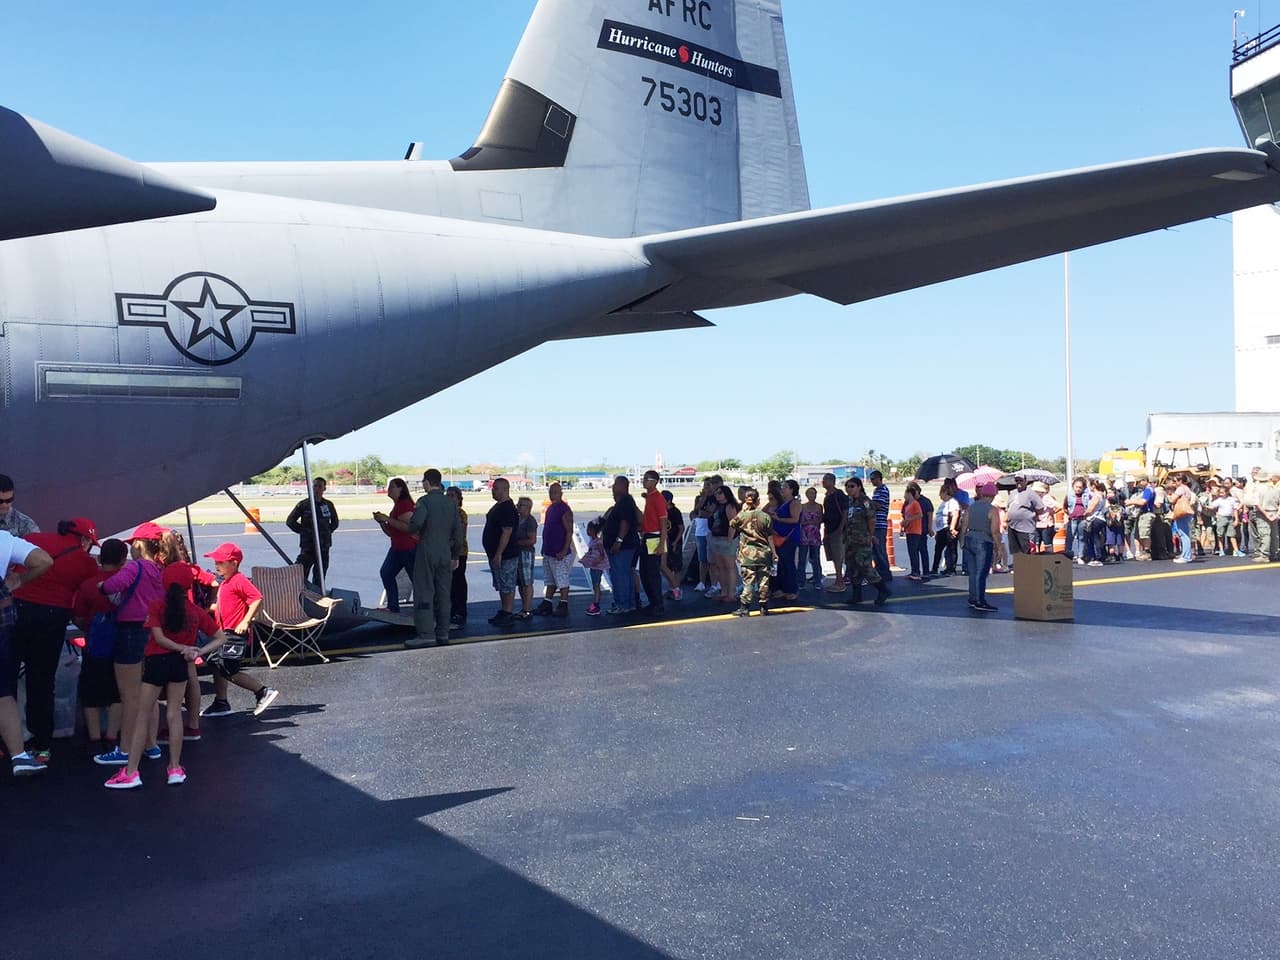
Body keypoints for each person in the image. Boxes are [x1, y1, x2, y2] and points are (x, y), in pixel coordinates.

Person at [104, 564, 227, 789]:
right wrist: (196, 651)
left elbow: (158, 638)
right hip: (180, 664)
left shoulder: (157, 606)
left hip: (157, 662)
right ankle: (175, 768)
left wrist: (180, 647)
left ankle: (131, 771)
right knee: (174, 714)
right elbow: (220, 637)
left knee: (143, 714)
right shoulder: (194, 612)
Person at [12, 517, 100, 765]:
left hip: (17, 611)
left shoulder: (33, 540)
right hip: (51, 619)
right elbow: (89, 593)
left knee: (6, 680)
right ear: (83, 540)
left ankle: (9, 742)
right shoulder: (86, 563)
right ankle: (41, 745)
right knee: (41, 681)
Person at [93, 523, 167, 766]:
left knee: (129, 695)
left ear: (138, 544)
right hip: (152, 631)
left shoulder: (135, 567)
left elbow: (112, 585)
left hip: (130, 632)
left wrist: (102, 586)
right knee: (151, 692)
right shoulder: (158, 569)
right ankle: (150, 744)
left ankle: (124, 749)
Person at [198, 543, 280, 718]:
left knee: (228, 668)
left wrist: (245, 620)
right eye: (216, 561)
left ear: (234, 563)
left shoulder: (239, 580)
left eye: (220, 562)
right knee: (215, 662)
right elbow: (225, 605)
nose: (216, 565)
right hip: (223, 632)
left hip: (234, 634)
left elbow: (257, 598)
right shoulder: (226, 582)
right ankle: (221, 702)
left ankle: (262, 691)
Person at [1, 530, 53, 776]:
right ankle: (19, 755)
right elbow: (44, 561)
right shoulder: (4, 539)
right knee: (2, 692)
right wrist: (18, 581)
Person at [71, 538, 129, 758]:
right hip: (121, 644)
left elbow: (77, 617)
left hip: (95, 645)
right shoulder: (126, 584)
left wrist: (89, 628)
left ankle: (95, 738)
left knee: (91, 693)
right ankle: (112, 736)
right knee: (118, 693)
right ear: (123, 560)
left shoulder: (88, 585)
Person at [400, 469, 466, 647]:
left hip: (427, 550)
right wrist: (455, 555)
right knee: (444, 593)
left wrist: (412, 529)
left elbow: (416, 524)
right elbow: (459, 534)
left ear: (427, 482)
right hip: (446, 551)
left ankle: (426, 633)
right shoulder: (450, 503)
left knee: (424, 591)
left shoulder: (424, 501)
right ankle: (443, 632)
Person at [373, 477, 419, 613]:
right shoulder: (398, 506)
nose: (389, 489)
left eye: (392, 486)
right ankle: (393, 606)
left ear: (400, 488)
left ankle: (424, 609)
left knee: (416, 580)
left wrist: (387, 519)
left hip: (408, 548)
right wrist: (382, 522)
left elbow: (409, 528)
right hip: (397, 547)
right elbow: (392, 532)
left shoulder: (405, 505)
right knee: (386, 573)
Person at [843, 477, 890, 606]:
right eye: (847, 486)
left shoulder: (865, 502)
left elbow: (871, 520)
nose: (849, 489)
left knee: (866, 568)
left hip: (862, 540)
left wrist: (870, 535)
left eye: (852, 486)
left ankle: (883, 590)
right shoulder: (851, 502)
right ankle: (856, 596)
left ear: (859, 487)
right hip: (851, 540)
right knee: (853, 568)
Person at [286, 476, 339, 585]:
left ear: (324, 488)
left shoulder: (328, 505)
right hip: (308, 546)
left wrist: (326, 532)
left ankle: (317, 596)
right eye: (315, 486)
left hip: (324, 546)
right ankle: (300, 596)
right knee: (301, 574)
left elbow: (335, 522)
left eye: (320, 486)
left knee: (320, 575)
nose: (317, 489)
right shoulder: (304, 504)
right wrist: (304, 532)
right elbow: (290, 521)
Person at [729, 488, 774, 616]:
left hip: (747, 554)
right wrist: (774, 553)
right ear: (758, 501)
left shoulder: (742, 516)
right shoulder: (765, 517)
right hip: (763, 553)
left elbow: (732, 524)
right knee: (764, 580)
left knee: (748, 581)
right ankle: (763, 606)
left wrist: (743, 511)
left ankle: (745, 607)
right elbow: (770, 535)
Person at [959, 482, 1002, 612]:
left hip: (969, 538)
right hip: (983, 541)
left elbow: (964, 525)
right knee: (981, 572)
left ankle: (972, 598)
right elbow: (995, 530)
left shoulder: (971, 507)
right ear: (993, 495)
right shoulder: (992, 510)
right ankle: (980, 600)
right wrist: (998, 547)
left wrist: (962, 541)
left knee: (972, 572)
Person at [483, 479, 521, 625]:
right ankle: (504, 610)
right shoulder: (499, 506)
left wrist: (499, 553)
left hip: (506, 554)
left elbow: (507, 532)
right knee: (501, 583)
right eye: (493, 488)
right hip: (496, 553)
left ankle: (508, 612)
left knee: (507, 584)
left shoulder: (507, 508)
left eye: (496, 488)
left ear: (505, 489)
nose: (493, 491)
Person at [602, 476, 642, 615]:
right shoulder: (625, 502)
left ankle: (622, 603)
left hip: (622, 546)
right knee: (624, 574)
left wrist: (619, 541)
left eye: (615, 485)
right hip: (624, 544)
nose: (613, 488)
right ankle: (628, 603)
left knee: (620, 575)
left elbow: (625, 522)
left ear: (623, 486)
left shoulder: (624, 502)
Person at [535, 482, 575, 618]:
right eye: (551, 493)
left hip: (559, 551)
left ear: (561, 494)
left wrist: (564, 550)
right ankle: (547, 602)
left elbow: (569, 531)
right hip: (549, 550)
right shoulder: (551, 508)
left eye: (555, 492)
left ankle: (564, 604)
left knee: (561, 578)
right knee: (550, 579)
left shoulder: (564, 509)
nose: (552, 495)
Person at [638, 470, 669, 617]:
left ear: (654, 481)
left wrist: (662, 544)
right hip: (647, 537)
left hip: (654, 537)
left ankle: (658, 603)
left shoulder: (657, 498)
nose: (643, 481)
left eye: (646, 479)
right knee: (645, 572)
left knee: (652, 572)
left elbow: (663, 523)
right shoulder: (650, 497)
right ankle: (653, 601)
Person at [705, 485, 740, 604]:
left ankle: (731, 593)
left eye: (720, 493)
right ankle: (724, 591)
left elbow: (733, 523)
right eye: (716, 493)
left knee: (729, 567)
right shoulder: (717, 507)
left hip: (726, 539)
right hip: (717, 538)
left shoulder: (730, 506)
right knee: (720, 567)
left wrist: (730, 538)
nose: (717, 495)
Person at [772, 479, 802, 600]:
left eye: (785, 487)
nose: (782, 489)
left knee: (788, 563)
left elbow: (794, 519)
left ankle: (791, 589)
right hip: (779, 537)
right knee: (781, 563)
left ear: (792, 490)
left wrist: (778, 519)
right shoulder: (784, 503)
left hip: (789, 537)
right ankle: (782, 588)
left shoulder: (795, 503)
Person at [1005, 475, 1044, 560]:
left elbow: (1040, 508)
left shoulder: (1031, 493)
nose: (1019, 482)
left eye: (1021, 480)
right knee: (1015, 550)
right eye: (1017, 480)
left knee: (1026, 550)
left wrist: (1033, 516)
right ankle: (1018, 568)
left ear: (1026, 481)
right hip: (1012, 526)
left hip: (1026, 528)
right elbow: (1008, 508)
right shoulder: (1013, 493)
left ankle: (1027, 569)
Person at [821, 473, 848, 592]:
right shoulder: (828, 496)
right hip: (830, 529)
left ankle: (840, 582)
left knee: (838, 556)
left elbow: (845, 512)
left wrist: (840, 529)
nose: (823, 482)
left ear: (832, 481)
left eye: (825, 480)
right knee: (833, 556)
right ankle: (839, 579)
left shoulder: (838, 495)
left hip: (837, 530)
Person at [446, 487, 469, 624]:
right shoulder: (444, 513)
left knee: (458, 582)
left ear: (459, 499)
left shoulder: (461, 514)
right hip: (446, 552)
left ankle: (460, 610)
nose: (449, 498)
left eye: (452, 496)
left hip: (458, 552)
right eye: (447, 495)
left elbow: (461, 534)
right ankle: (451, 609)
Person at [514, 497, 538, 619]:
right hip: (517, 553)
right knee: (520, 582)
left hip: (526, 553)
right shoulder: (517, 519)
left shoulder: (530, 521)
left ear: (528, 507)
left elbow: (532, 540)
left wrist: (516, 542)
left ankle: (527, 609)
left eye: (521, 505)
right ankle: (524, 607)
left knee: (527, 582)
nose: (518, 506)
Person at [868, 470, 894, 583]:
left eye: (873, 479)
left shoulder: (883, 490)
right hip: (875, 523)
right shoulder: (876, 490)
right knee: (875, 551)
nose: (872, 481)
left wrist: (867, 503)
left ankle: (885, 573)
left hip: (880, 524)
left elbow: (878, 505)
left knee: (880, 550)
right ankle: (879, 571)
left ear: (879, 478)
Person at [580, 520, 609, 616]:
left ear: (593, 530)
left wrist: (598, 560)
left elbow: (601, 554)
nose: (587, 531)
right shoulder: (593, 541)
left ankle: (596, 604)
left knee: (596, 585)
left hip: (597, 566)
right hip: (594, 565)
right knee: (595, 584)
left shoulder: (598, 542)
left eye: (589, 529)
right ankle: (596, 602)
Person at [1124, 474, 1157, 560]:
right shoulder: (1146, 490)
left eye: (1139, 482)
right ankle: (1145, 551)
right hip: (1143, 513)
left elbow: (1143, 502)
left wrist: (1131, 502)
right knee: (1140, 533)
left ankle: (1147, 553)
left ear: (1144, 481)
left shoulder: (1148, 490)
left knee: (1144, 533)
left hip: (1146, 513)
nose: (1138, 484)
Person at [660, 490, 685, 600]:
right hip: (666, 541)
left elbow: (681, 528)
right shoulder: (663, 511)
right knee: (666, 566)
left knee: (675, 567)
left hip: (674, 541)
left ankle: (676, 588)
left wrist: (675, 542)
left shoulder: (675, 512)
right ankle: (673, 588)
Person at [797, 486, 823, 589]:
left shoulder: (819, 506)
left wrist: (814, 523)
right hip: (804, 535)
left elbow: (820, 519)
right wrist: (808, 522)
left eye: (814, 493)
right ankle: (800, 581)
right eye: (810, 493)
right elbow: (800, 521)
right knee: (802, 559)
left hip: (815, 535)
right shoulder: (802, 507)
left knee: (816, 558)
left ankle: (817, 581)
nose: (812, 495)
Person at [931, 485, 960, 576]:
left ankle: (952, 569)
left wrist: (952, 528)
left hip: (947, 529)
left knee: (951, 549)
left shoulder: (952, 502)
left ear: (944, 492)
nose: (940, 496)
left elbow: (955, 514)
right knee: (938, 550)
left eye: (940, 493)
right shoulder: (943, 503)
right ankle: (935, 568)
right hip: (941, 529)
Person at [1167, 474, 1197, 564]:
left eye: (1175, 481)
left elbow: (1172, 500)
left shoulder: (1180, 488)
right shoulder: (1187, 488)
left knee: (1183, 534)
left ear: (1180, 481)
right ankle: (1186, 554)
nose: (1174, 483)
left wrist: (1169, 495)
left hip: (1182, 512)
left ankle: (1186, 556)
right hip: (1186, 512)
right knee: (1185, 533)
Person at [901, 484, 925, 581]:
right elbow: (905, 518)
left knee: (914, 551)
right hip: (909, 530)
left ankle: (916, 572)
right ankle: (913, 570)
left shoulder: (915, 504)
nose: (904, 496)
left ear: (909, 494)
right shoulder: (907, 506)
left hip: (915, 530)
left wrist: (909, 520)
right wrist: (903, 527)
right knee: (911, 552)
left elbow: (920, 515)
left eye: (905, 494)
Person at [1033, 481, 1057, 552]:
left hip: (1045, 524)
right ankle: (1037, 558)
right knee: (1036, 543)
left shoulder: (1046, 497)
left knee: (1047, 543)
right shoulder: (1034, 499)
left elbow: (1057, 506)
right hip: (1036, 524)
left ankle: (1049, 559)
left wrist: (1051, 512)